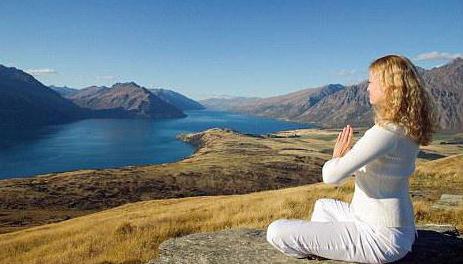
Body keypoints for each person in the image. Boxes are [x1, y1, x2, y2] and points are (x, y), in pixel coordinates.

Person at [266, 54, 440, 263]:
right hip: (386, 225)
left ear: (389, 86)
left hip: (380, 237)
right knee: (323, 205)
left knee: (275, 231)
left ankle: (322, 250)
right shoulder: (405, 127)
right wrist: (350, 159)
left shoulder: (385, 132)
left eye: (371, 82)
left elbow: (331, 177)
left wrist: (337, 157)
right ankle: (326, 249)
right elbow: (380, 171)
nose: (367, 88)